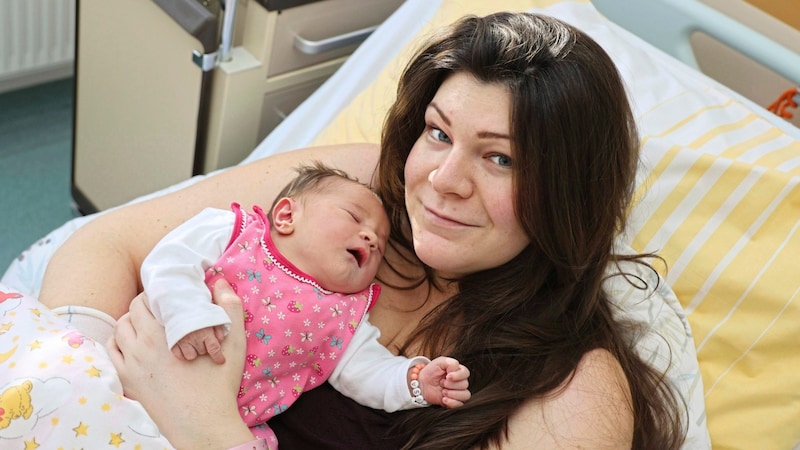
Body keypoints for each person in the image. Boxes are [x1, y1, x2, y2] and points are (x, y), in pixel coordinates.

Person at [40, 11, 687, 450]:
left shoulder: (573, 389)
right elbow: (108, 241)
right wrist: (74, 394)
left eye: (500, 158)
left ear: (568, 194)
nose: (442, 179)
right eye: (438, 133)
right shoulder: (358, 195)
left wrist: (208, 427)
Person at [139, 162, 471, 447]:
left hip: (232, 427)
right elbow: (170, 261)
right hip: (144, 377)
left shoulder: (344, 318)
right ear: (286, 215)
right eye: (355, 217)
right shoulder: (238, 234)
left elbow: (368, 372)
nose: (370, 238)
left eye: (380, 247)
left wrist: (414, 380)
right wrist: (189, 315)